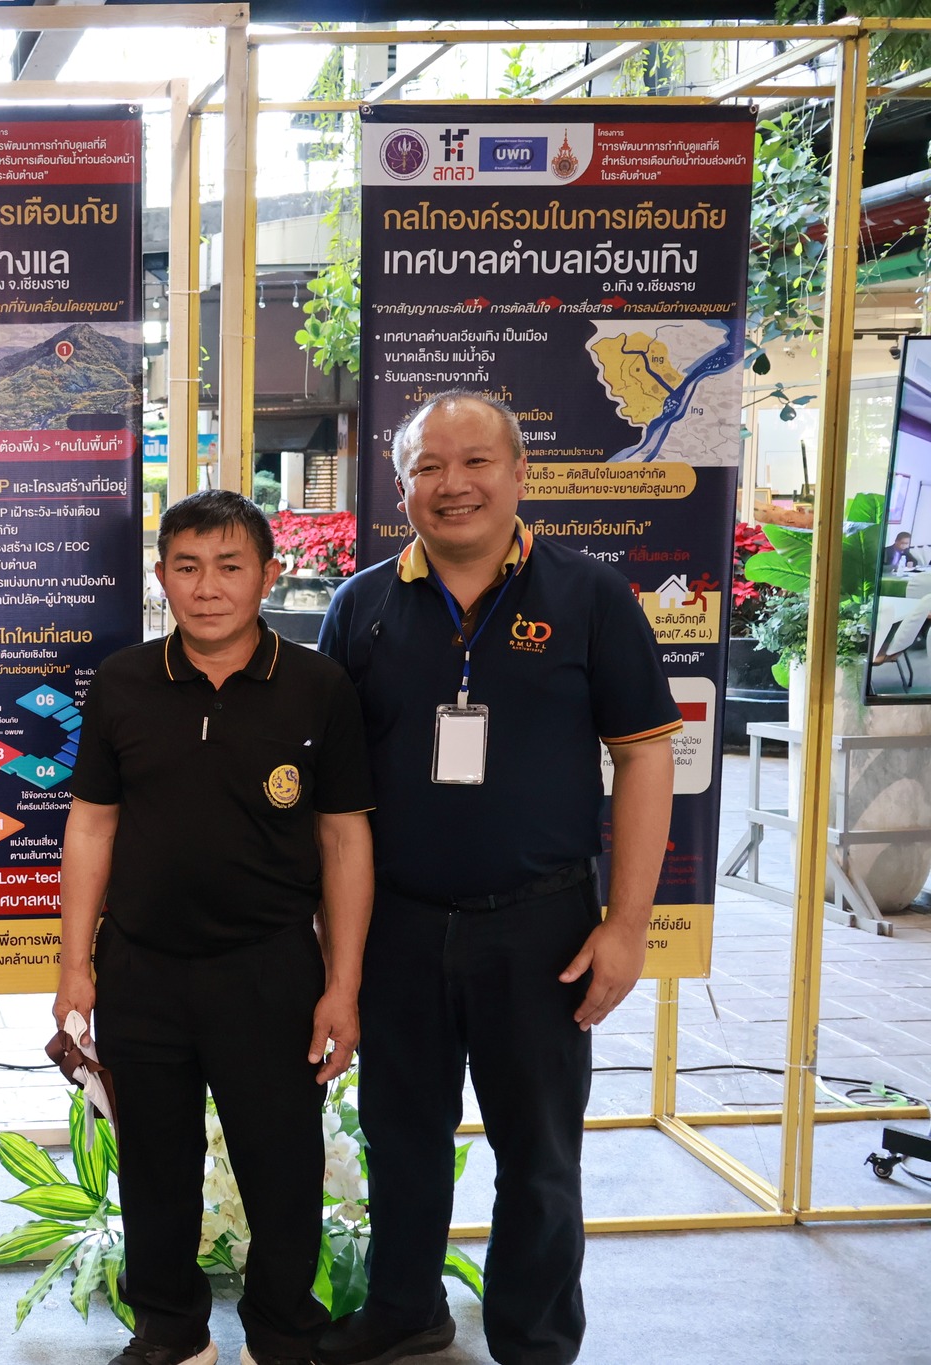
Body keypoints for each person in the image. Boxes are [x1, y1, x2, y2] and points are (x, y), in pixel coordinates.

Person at [315, 392, 678, 1365]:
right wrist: (333, 944)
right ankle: (404, 1308)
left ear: (519, 474)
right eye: (427, 467)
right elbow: (333, 799)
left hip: (540, 926)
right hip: (396, 924)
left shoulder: (590, 595)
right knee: (400, 1137)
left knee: (541, 1154)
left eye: (475, 461)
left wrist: (627, 925)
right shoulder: (359, 607)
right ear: (400, 488)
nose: (453, 484)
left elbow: (645, 756)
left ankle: (534, 1336)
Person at [53, 489, 376, 1365]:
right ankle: (170, 1330)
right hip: (142, 969)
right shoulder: (123, 681)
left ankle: (281, 1330)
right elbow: (91, 826)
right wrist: (75, 964)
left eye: (230, 566)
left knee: (284, 1166)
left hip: (271, 971)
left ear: (268, 575)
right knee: (155, 1165)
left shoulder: (319, 687)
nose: (208, 587)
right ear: (161, 577)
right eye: (188, 567)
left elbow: (344, 840)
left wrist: (342, 985)